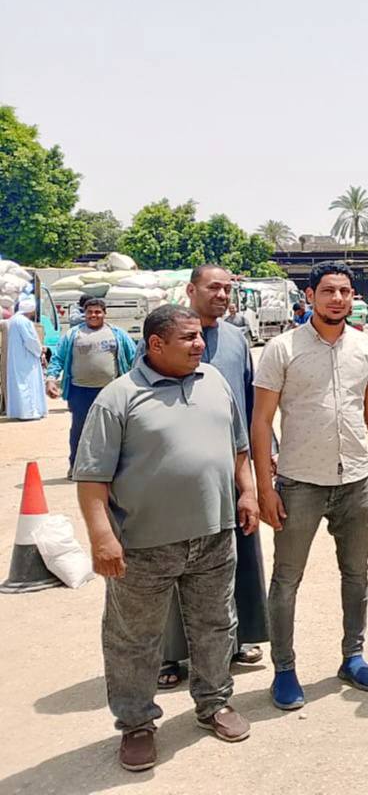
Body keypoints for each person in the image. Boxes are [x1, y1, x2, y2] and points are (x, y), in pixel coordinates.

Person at [74, 304, 258, 773]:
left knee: (216, 625)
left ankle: (214, 703)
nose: (200, 344)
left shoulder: (214, 381)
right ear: (156, 344)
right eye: (188, 338)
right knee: (134, 639)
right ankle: (136, 724)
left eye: (199, 337)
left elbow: (238, 448)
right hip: (143, 546)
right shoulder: (119, 398)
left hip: (214, 535)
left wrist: (248, 493)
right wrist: (101, 537)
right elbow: (92, 477)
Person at [253, 261, 368, 710]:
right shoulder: (282, 348)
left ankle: (353, 657)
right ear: (310, 295)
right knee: (287, 579)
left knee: (357, 573)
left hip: (355, 479)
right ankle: (284, 669)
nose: (337, 299)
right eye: (328, 291)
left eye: (345, 291)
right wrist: (265, 488)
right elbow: (261, 421)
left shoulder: (363, 347)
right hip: (300, 482)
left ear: (353, 297)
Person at [156, 265, 270, 688]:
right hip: (177, 470)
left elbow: (251, 401)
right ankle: (169, 655)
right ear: (191, 290)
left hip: (231, 465)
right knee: (174, 560)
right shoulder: (161, 337)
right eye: (213, 287)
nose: (222, 294)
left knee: (238, 554)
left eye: (227, 288)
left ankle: (236, 639)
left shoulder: (237, 338)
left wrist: (266, 455)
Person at [45, 298, 137, 476]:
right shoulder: (73, 335)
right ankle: (76, 466)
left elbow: (134, 357)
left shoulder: (117, 334)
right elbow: (58, 358)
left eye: (97, 312)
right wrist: (50, 379)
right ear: (84, 314)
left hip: (111, 391)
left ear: (104, 313)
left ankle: (114, 468)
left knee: (114, 429)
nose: (93, 315)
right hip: (80, 391)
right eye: (89, 312)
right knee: (80, 429)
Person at [5, 298, 47, 420]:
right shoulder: (24, 321)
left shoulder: (13, 320)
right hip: (26, 358)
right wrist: (40, 350)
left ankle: (19, 412)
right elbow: (29, 340)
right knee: (28, 383)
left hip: (18, 358)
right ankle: (29, 412)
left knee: (19, 383)